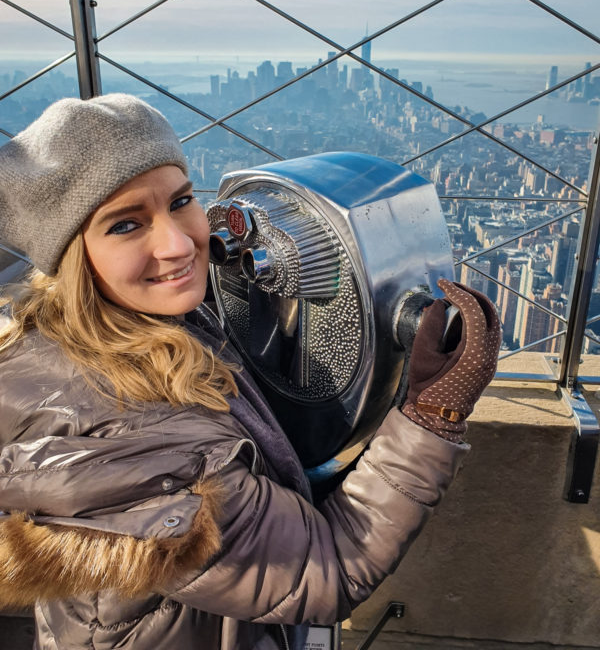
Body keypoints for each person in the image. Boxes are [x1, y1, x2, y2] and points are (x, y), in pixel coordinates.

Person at [0, 94, 501, 650]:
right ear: (72, 257)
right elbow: (330, 568)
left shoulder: (90, 334)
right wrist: (433, 413)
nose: (179, 243)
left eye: (182, 200)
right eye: (125, 225)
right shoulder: (130, 441)